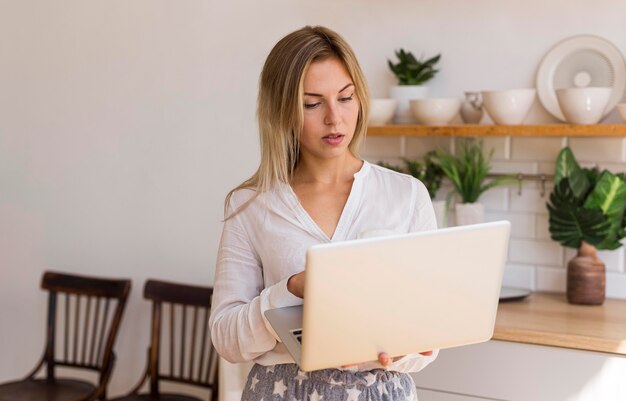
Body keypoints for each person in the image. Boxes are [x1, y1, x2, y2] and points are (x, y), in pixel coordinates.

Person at [209, 25, 439, 401]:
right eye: (312, 104)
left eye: (346, 98)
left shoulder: (406, 195)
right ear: (281, 110)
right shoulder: (250, 205)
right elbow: (226, 338)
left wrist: (404, 352)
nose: (335, 119)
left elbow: (429, 333)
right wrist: (288, 290)